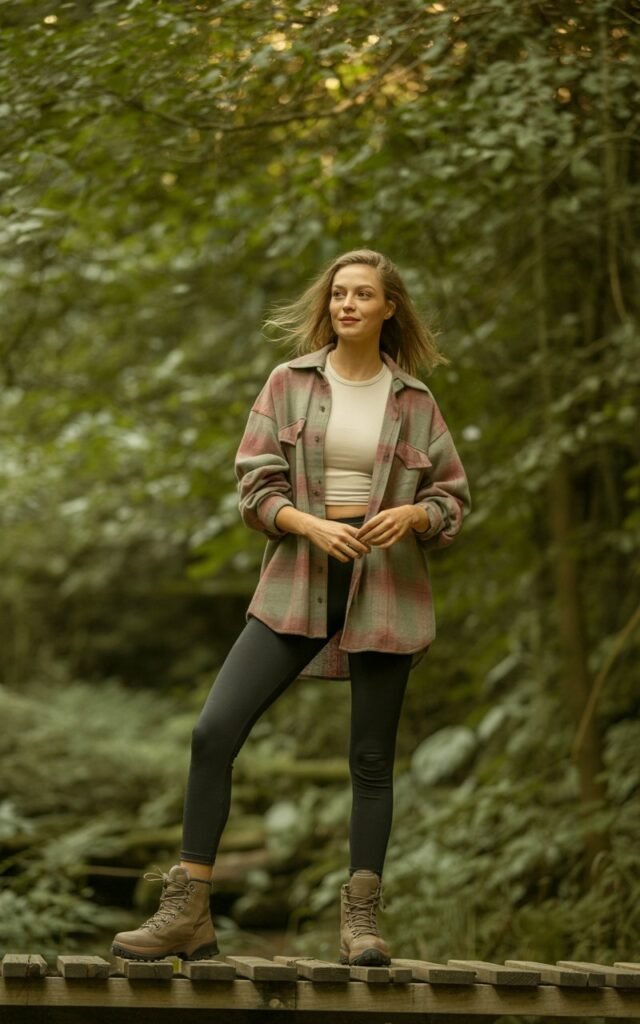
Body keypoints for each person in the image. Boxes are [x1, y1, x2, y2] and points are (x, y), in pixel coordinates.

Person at [111, 248, 471, 966]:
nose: (347, 305)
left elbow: (451, 498)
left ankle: (361, 924)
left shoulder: (415, 402)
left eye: (362, 294)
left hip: (387, 588)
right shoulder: (289, 383)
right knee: (213, 732)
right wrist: (310, 524)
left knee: (372, 758)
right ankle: (188, 912)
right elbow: (254, 488)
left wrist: (417, 516)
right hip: (298, 580)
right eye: (338, 294)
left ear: (388, 308)